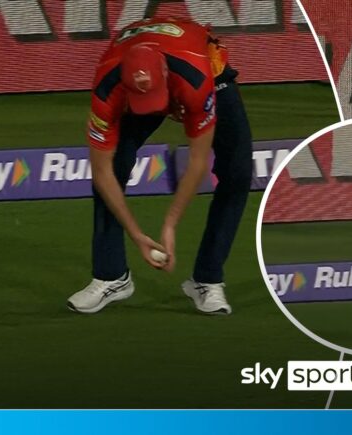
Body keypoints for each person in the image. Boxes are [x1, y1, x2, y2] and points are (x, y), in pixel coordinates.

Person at [67, 18, 252, 315]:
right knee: (113, 167)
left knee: (237, 171)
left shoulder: (195, 78)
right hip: (141, 79)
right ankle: (111, 277)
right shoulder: (106, 88)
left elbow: (198, 161)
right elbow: (101, 172)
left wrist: (170, 224)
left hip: (208, 71)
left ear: (165, 73)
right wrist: (137, 235)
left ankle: (207, 280)